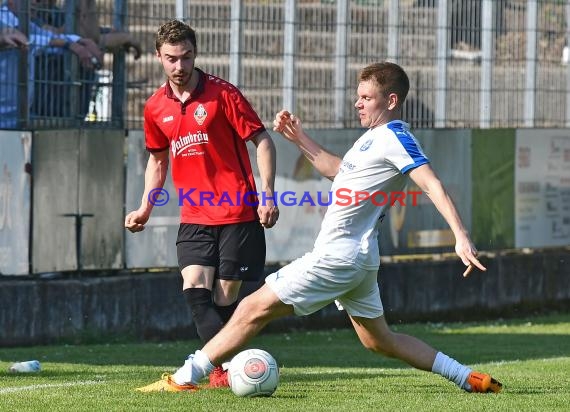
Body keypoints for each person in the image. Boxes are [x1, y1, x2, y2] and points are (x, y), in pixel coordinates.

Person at [135, 62, 503, 394]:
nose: (358, 104)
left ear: (391, 100)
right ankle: (467, 377)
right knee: (380, 341)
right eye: (357, 96)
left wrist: (460, 235)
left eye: (366, 97)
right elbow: (338, 170)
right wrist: (298, 138)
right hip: (358, 261)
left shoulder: (395, 137)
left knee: (251, 308)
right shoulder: (373, 138)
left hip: (337, 257)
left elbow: (431, 183)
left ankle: (184, 377)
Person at [124, 20, 279, 388]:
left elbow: (263, 141)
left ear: (196, 54)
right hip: (194, 216)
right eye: (172, 59)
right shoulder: (154, 107)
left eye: (187, 57)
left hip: (238, 214)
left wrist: (268, 193)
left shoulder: (223, 94)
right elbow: (158, 161)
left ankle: (229, 367)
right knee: (195, 292)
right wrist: (146, 207)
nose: (180, 67)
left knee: (224, 300)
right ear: (159, 57)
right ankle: (232, 369)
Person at [0, 0, 103, 128]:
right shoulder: (2, 20)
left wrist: (81, 41)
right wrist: (70, 45)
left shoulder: (24, 23)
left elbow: (47, 36)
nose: (35, 3)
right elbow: (28, 41)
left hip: (16, 118)